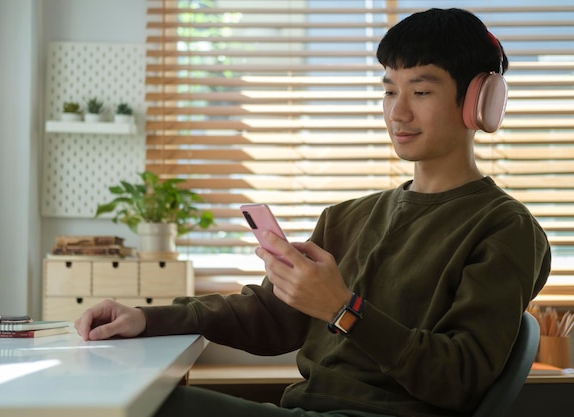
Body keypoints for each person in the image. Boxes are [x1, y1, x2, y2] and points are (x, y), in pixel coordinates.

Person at [75, 8, 551, 417]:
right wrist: (147, 319)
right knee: (126, 398)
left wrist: (344, 310)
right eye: (389, 91)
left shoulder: (505, 229)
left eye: (420, 92)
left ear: (479, 102)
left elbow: (461, 378)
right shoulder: (346, 218)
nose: (397, 113)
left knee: (142, 407)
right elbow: (270, 318)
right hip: (303, 408)